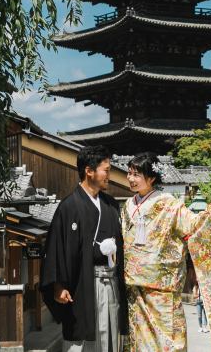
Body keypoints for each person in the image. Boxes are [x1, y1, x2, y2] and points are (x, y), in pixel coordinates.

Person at [122, 152, 211, 352]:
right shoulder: (128, 205)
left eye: (136, 175)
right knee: (137, 339)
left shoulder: (169, 204)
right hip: (133, 284)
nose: (130, 179)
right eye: (129, 173)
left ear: (151, 178)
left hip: (162, 286)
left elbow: (194, 225)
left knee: (167, 339)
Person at [40, 145, 128, 352]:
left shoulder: (111, 204)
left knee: (111, 339)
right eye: (105, 170)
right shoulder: (68, 207)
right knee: (82, 338)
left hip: (111, 281)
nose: (109, 175)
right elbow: (55, 248)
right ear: (89, 171)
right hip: (82, 285)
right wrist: (57, 286)